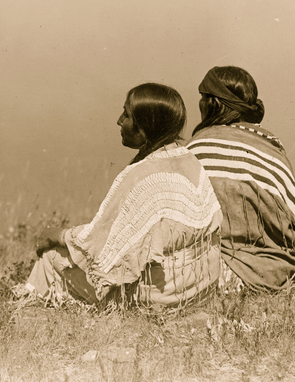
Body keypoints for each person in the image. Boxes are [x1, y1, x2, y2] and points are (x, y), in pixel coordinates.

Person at [21, 83, 222, 308]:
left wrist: (55, 235)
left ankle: (25, 313)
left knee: (50, 258)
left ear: (144, 127)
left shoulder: (140, 175)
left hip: (161, 296)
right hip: (200, 284)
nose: (119, 121)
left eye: (126, 115)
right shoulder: (189, 160)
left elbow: (97, 244)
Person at [186, 66, 295, 293]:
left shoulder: (195, 149)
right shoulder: (273, 150)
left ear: (213, 104)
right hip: (275, 272)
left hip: (206, 271)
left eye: (203, 98)